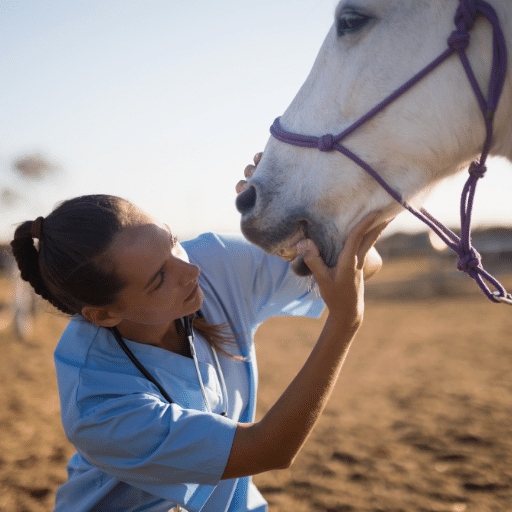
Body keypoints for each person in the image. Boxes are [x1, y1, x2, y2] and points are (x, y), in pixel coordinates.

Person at [10, 155, 388, 512]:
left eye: (172, 240)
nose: (189, 271)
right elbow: (268, 449)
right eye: (159, 279)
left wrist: (306, 221)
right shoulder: (97, 404)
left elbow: (362, 264)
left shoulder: (213, 260)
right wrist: (343, 323)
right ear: (104, 314)